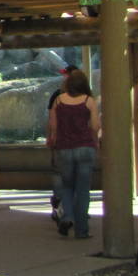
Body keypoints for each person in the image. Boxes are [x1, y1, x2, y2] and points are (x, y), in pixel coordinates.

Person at [47, 68, 101, 239]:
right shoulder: (89, 101)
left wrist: (54, 140)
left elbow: (53, 126)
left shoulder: (58, 100)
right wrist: (95, 141)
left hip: (64, 148)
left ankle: (67, 217)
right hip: (85, 147)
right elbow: (95, 126)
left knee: (67, 186)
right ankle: (82, 229)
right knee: (83, 190)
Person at [46, 64, 80, 222]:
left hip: (63, 141)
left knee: (60, 173)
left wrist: (51, 136)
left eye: (66, 75)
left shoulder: (58, 96)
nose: (64, 77)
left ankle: (62, 205)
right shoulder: (86, 96)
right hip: (77, 142)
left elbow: (51, 120)